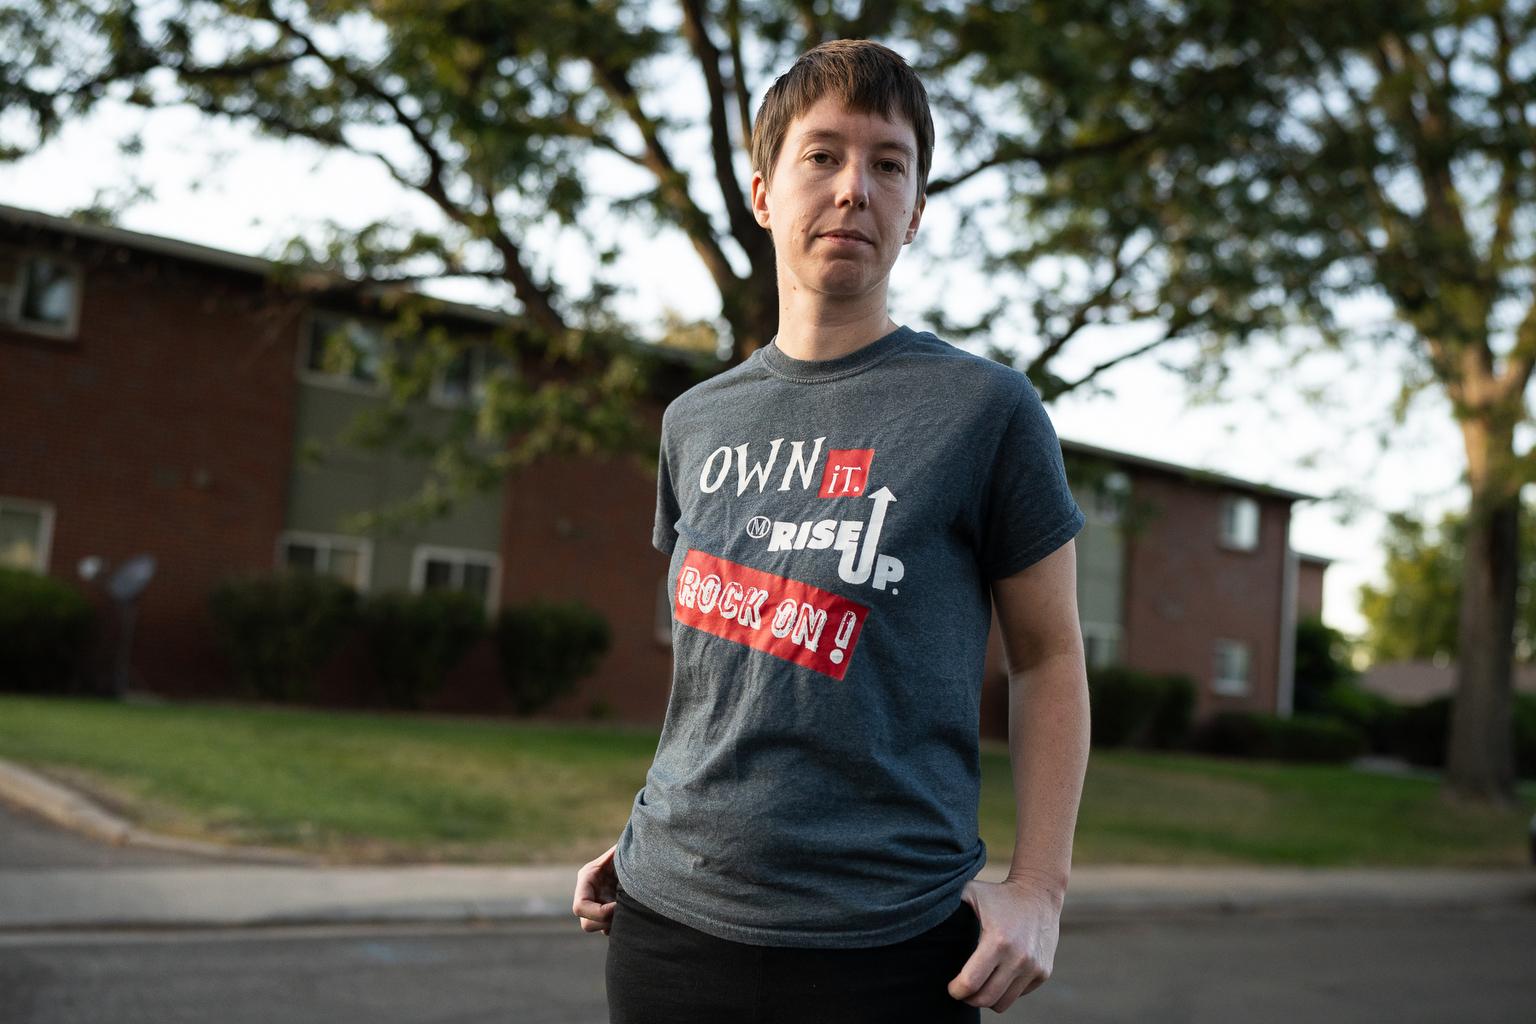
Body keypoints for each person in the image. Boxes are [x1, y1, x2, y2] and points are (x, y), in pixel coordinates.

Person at [573, 38, 1090, 1023]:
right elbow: (722, 664)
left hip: (889, 942)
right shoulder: (695, 420)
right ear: (765, 192)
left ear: (917, 210)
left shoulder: (985, 410)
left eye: (888, 163)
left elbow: (1050, 657)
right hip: (671, 923)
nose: (855, 187)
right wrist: (654, 825)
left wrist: (1041, 886)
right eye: (824, 155)